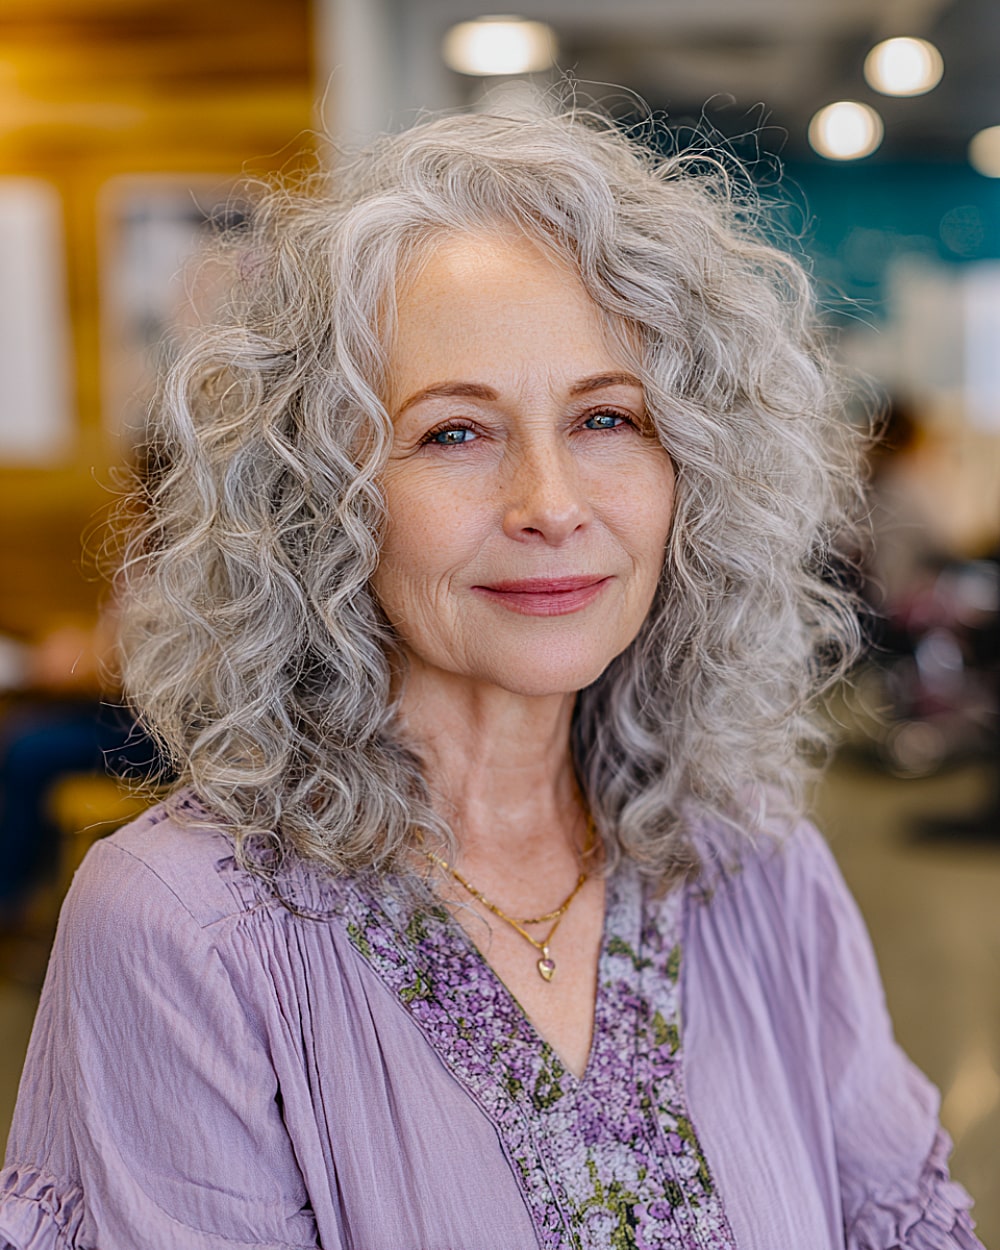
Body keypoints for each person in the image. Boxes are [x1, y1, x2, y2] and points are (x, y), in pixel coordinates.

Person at [0, 106, 983, 1250]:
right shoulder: (186, 926)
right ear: (312, 499)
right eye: (455, 433)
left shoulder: (753, 861)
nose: (551, 504)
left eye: (606, 417)